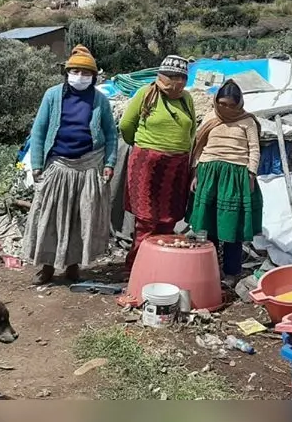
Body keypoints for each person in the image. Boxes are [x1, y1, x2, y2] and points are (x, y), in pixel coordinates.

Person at [21, 46, 118, 286]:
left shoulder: (100, 101)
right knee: (49, 216)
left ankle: (74, 266)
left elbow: (111, 135)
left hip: (89, 166)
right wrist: (36, 165)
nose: (80, 76)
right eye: (75, 71)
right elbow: (40, 131)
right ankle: (46, 267)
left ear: (93, 76)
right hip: (58, 164)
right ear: (67, 73)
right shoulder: (53, 96)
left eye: (86, 72)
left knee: (80, 217)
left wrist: (109, 163)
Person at [118, 55, 196, 271]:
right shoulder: (146, 93)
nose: (176, 81)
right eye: (171, 76)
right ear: (161, 76)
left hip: (177, 166)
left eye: (181, 77)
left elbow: (192, 130)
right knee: (146, 220)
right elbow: (126, 125)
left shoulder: (186, 99)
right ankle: (137, 268)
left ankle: (161, 266)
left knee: (168, 219)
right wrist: (142, 146)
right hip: (148, 165)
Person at [187, 80, 263, 287]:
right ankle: (210, 269)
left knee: (232, 227)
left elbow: (254, 149)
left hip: (236, 177)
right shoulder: (211, 117)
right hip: (209, 174)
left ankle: (231, 272)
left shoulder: (247, 121)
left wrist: (251, 174)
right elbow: (199, 146)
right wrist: (196, 174)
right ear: (216, 101)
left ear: (239, 104)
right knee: (209, 227)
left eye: (231, 105)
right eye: (222, 103)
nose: (226, 108)